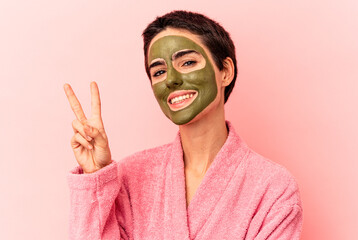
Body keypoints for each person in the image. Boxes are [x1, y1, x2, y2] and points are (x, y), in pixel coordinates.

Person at [64, 10, 303, 240]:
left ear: (225, 72)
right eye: (158, 71)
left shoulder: (273, 188)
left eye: (187, 62)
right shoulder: (130, 176)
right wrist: (95, 177)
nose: (171, 79)